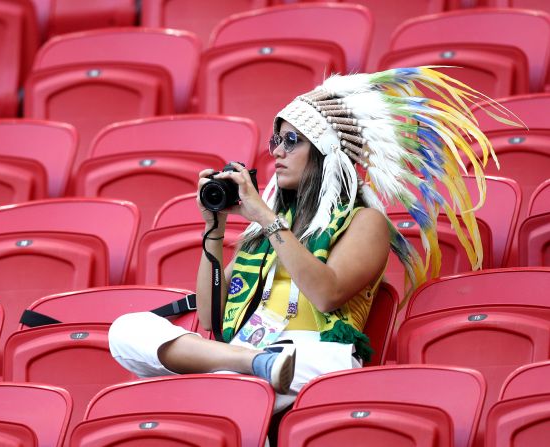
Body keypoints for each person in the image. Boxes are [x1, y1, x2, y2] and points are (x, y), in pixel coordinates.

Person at [109, 66, 518, 409]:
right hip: (253, 356)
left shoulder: (365, 222)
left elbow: (326, 294)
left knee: (285, 362)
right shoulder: (263, 233)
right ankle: (250, 364)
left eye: (292, 141)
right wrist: (213, 233)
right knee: (126, 330)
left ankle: (242, 369)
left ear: (325, 152)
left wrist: (267, 219)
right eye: (276, 141)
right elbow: (213, 318)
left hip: (314, 357)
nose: (277, 153)